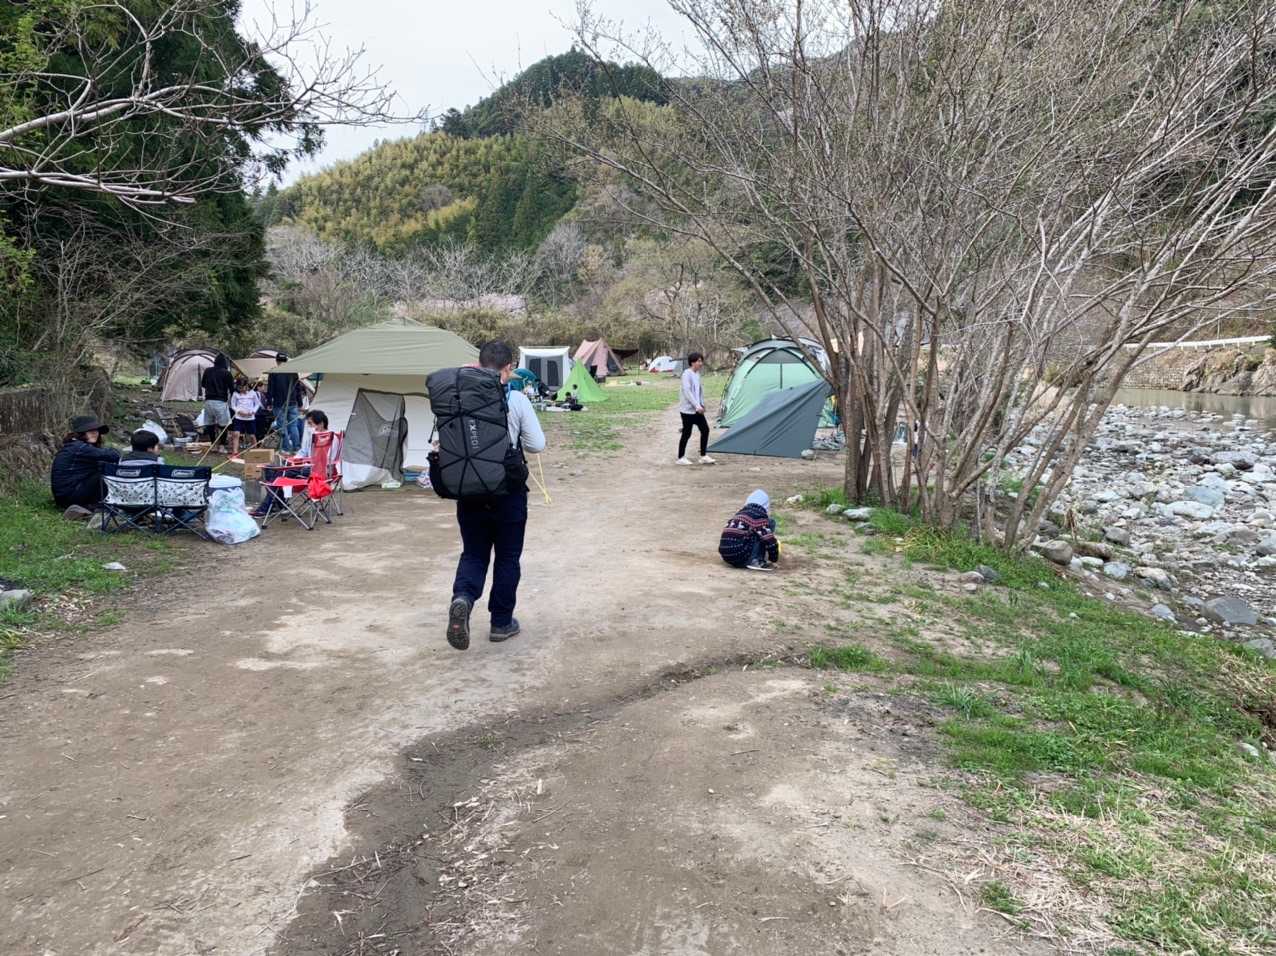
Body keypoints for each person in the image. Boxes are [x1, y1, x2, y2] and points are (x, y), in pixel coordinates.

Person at [447, 340, 546, 650]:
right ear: (509, 368)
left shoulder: (458, 398)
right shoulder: (516, 399)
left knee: (474, 553)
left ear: (479, 363)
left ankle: (463, 598)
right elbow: (537, 445)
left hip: (469, 490)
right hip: (508, 493)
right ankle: (501, 623)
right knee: (507, 557)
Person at [50, 415, 120, 514]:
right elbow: (113, 455)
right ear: (81, 433)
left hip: (65, 496)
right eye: (90, 431)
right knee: (103, 472)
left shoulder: (76, 446)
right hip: (69, 497)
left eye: (96, 430)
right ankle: (103, 505)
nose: (95, 433)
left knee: (101, 468)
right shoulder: (79, 447)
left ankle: (96, 505)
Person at [718, 489, 780, 571]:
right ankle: (756, 561)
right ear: (765, 505)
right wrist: (773, 559)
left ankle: (748, 559)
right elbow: (770, 541)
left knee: (751, 532)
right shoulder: (758, 516)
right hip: (741, 556)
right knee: (770, 523)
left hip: (727, 557)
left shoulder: (738, 515)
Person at [676, 351, 715, 466]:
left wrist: (701, 404)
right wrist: (696, 406)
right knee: (687, 433)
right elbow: (687, 391)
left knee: (705, 430)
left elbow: (699, 391)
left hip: (697, 409)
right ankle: (681, 458)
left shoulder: (697, 374)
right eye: (699, 361)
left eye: (701, 361)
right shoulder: (686, 374)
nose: (701, 363)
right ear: (692, 362)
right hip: (687, 410)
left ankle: (703, 456)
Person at [266, 354, 304, 453]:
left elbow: (270, 389)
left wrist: (269, 403)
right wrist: (300, 403)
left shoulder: (274, 372)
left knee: (282, 426)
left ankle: (286, 448)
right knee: (293, 426)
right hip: (293, 403)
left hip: (279, 403)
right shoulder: (293, 372)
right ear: (286, 361)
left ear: (277, 361)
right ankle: (296, 448)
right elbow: (298, 389)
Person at [200, 354, 234, 450]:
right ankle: (222, 446)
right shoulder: (226, 373)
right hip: (220, 402)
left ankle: (213, 445)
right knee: (224, 425)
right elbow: (232, 389)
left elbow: (203, 384)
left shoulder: (207, 371)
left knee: (209, 424)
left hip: (208, 401)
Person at [228, 377, 262, 461]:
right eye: (240, 387)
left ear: (247, 386)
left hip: (250, 418)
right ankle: (235, 453)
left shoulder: (252, 393)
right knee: (236, 434)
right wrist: (238, 411)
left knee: (252, 435)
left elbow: (257, 404)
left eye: (243, 387)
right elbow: (233, 405)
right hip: (239, 417)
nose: (242, 389)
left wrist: (253, 411)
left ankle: (255, 452)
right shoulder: (235, 394)